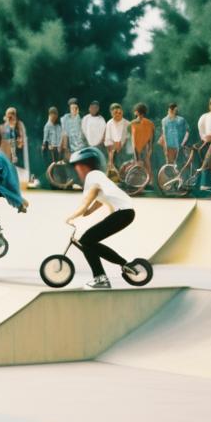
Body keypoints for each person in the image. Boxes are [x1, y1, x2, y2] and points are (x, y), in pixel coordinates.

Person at [66, 147, 136, 289]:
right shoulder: (99, 178)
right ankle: (125, 265)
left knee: (86, 241)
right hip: (124, 213)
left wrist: (71, 217)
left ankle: (101, 278)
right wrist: (87, 212)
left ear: (87, 166)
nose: (77, 170)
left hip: (122, 213)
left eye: (79, 166)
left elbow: (86, 202)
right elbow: (99, 200)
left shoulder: (93, 177)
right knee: (89, 242)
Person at [1, 107, 29, 184]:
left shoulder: (19, 125)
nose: (10, 119)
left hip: (17, 151)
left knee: (17, 168)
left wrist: (20, 141)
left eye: (12, 116)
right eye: (9, 117)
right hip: (8, 152)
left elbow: (20, 140)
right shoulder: (4, 128)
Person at [129, 103, 155, 183]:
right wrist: (150, 148)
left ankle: (140, 182)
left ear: (137, 112)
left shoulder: (133, 123)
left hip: (137, 147)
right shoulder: (150, 123)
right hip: (146, 147)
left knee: (138, 164)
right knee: (147, 164)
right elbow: (151, 137)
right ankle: (149, 181)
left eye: (135, 111)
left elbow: (133, 138)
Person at [159, 103, 189, 168]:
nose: (176, 111)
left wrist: (183, 143)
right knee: (169, 164)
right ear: (170, 110)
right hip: (169, 145)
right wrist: (166, 146)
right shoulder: (164, 120)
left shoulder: (181, 120)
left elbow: (187, 131)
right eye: (175, 110)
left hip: (179, 145)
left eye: (176, 109)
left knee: (179, 164)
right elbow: (164, 133)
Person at [103, 103, 130, 173]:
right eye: (115, 113)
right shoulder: (109, 124)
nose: (118, 114)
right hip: (113, 152)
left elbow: (129, 139)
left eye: (119, 112)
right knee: (112, 172)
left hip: (126, 153)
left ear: (122, 112)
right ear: (111, 113)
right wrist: (111, 160)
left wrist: (121, 145)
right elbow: (108, 142)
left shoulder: (127, 124)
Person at [42, 106, 63, 172]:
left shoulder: (58, 126)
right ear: (50, 115)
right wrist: (45, 146)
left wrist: (60, 146)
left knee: (60, 166)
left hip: (59, 149)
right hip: (51, 150)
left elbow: (61, 137)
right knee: (52, 167)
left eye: (55, 115)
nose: (54, 117)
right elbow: (45, 139)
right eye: (52, 115)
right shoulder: (47, 126)